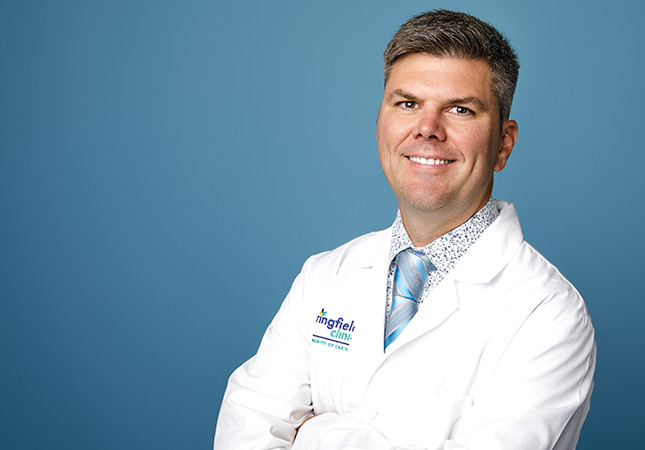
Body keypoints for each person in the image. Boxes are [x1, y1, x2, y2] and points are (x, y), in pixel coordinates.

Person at [215, 9, 595, 450]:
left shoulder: (549, 314)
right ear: (380, 121)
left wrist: (315, 434)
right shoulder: (323, 277)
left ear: (503, 144)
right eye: (408, 103)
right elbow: (245, 427)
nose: (428, 130)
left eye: (460, 109)